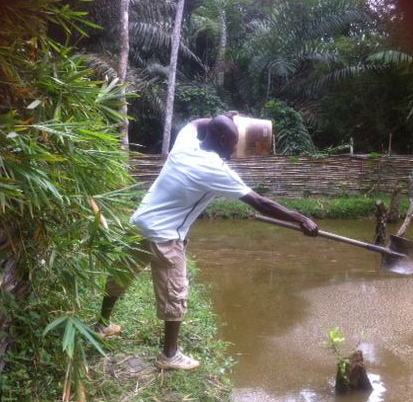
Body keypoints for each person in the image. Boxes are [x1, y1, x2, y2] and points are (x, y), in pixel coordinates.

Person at [97, 113, 318, 370]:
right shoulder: (215, 169)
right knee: (175, 295)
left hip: (140, 224)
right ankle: (169, 356)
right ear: (222, 139)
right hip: (165, 237)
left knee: (119, 275)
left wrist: (226, 116)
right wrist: (300, 219)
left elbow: (194, 124)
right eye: (233, 143)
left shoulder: (185, 143)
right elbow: (260, 202)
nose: (235, 150)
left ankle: (102, 325)